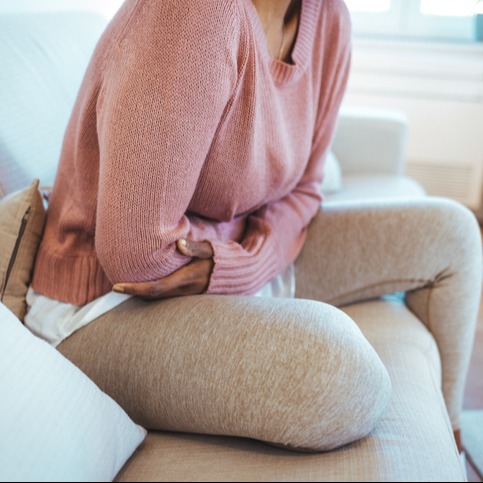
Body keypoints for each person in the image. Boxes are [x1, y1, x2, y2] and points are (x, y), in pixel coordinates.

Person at [25, 0, 482, 452]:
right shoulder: (195, 12)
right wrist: (239, 257)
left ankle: (452, 440)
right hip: (108, 304)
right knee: (338, 374)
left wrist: (245, 262)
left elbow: (306, 189)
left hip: (216, 259)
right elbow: (137, 253)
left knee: (454, 235)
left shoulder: (329, 19)